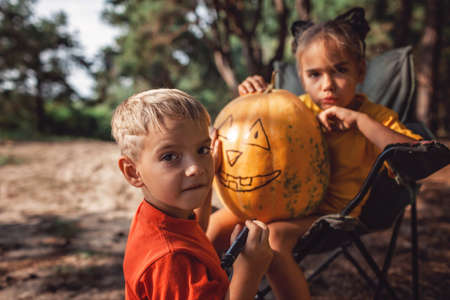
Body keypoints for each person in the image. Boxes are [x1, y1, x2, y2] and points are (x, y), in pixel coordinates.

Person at [207, 7, 422, 300]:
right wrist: (253, 96)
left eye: (340, 70)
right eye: (315, 74)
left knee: (274, 237)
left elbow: (416, 157)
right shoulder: (297, 108)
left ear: (361, 70)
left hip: (334, 215)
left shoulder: (373, 116)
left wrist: (360, 122)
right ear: (301, 77)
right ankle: (198, 289)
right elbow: (256, 141)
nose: (327, 85)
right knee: (217, 223)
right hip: (278, 203)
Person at [111, 88, 273, 300]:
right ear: (133, 172)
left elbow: (197, 231)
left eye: (202, 150)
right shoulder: (171, 261)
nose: (196, 167)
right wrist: (249, 270)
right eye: (170, 156)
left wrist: (211, 170)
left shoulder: (160, 217)